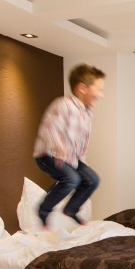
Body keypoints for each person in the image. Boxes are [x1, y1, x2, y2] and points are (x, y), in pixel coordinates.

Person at [33, 64, 105, 228]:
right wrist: (59, 147)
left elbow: (82, 140)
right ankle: (43, 210)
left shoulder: (87, 112)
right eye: (99, 90)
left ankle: (71, 209)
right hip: (48, 155)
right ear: (82, 88)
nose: (101, 95)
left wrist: (82, 162)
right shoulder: (63, 105)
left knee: (92, 180)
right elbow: (50, 127)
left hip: (71, 158)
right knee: (71, 179)